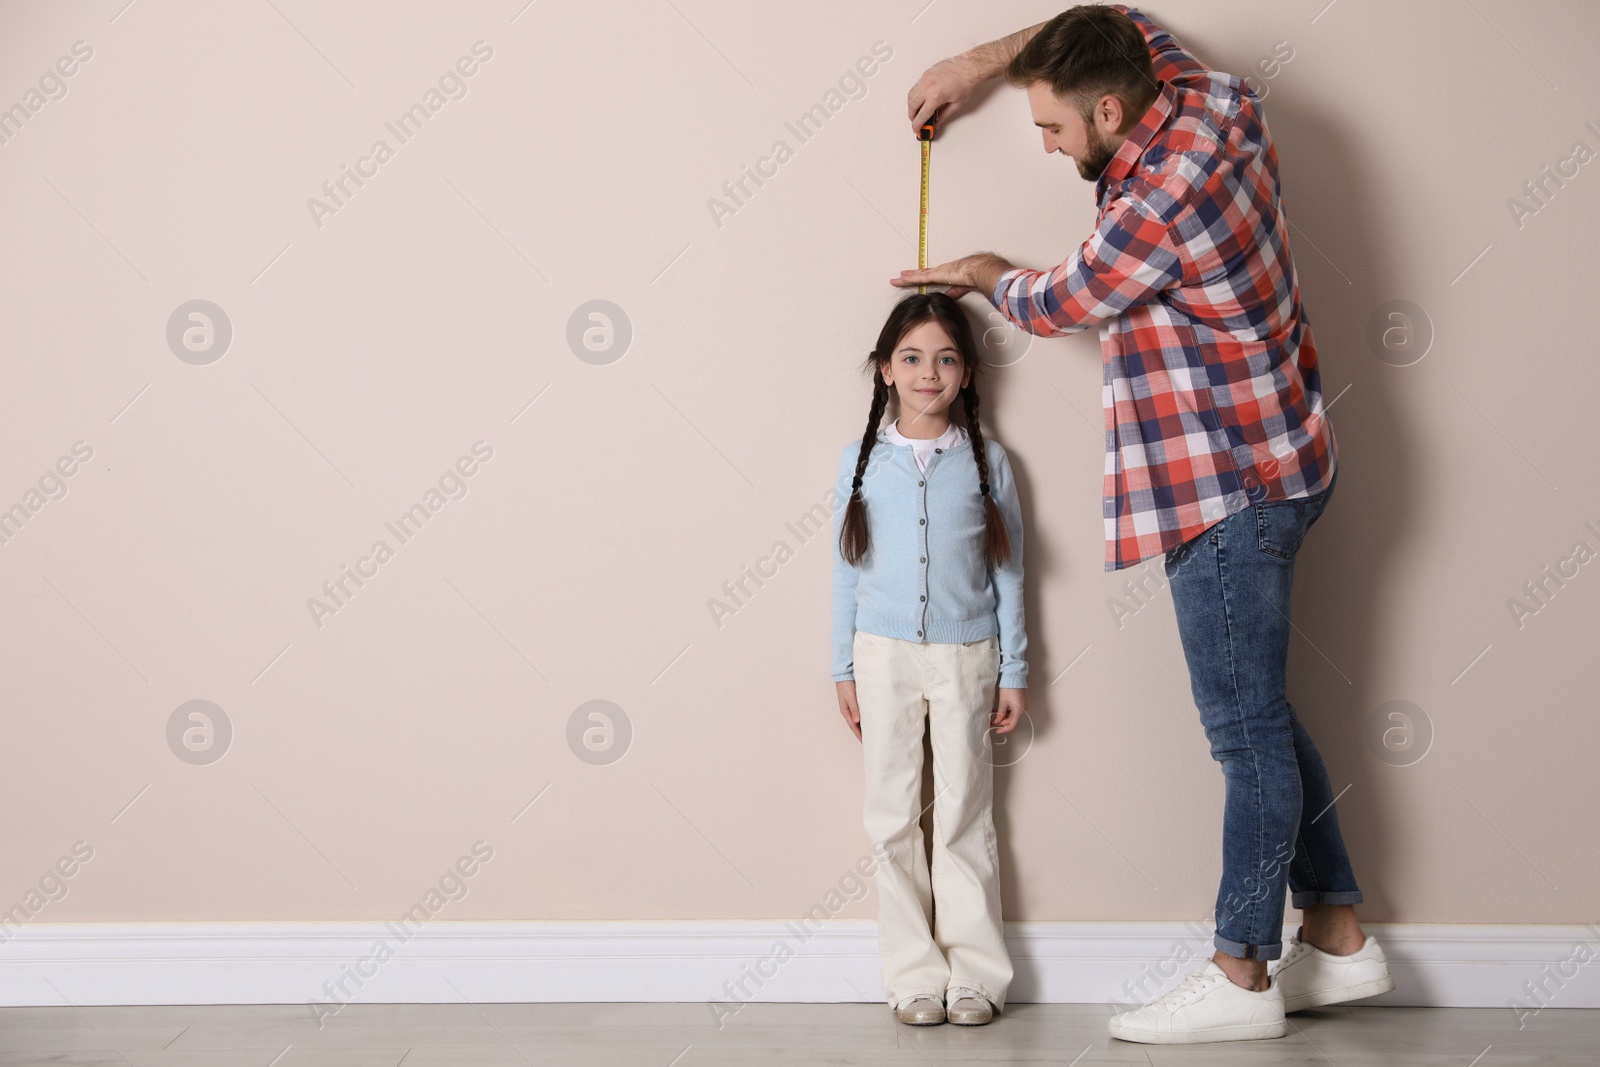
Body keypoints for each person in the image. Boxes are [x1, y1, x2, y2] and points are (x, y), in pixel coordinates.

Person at [896, 4, 1394, 1045]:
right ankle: (1341, 937)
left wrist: (983, 268)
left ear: (1114, 112)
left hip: (1225, 488)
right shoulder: (1213, 100)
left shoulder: (1156, 206)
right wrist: (982, 64)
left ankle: (1240, 969)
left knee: (1241, 733)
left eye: (1051, 129)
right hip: (1289, 454)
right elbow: (1114, 16)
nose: (1042, 143)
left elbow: (1059, 299)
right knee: (1261, 715)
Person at [831, 291, 1028, 1026]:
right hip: (880, 657)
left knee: (963, 813)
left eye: (946, 359)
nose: (928, 372)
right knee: (890, 815)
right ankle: (913, 973)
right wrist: (842, 668)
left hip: (967, 657)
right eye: (911, 357)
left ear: (968, 374)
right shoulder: (861, 462)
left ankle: (976, 973)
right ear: (886, 369)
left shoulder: (988, 463)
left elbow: (1010, 571)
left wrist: (1016, 669)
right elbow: (845, 570)